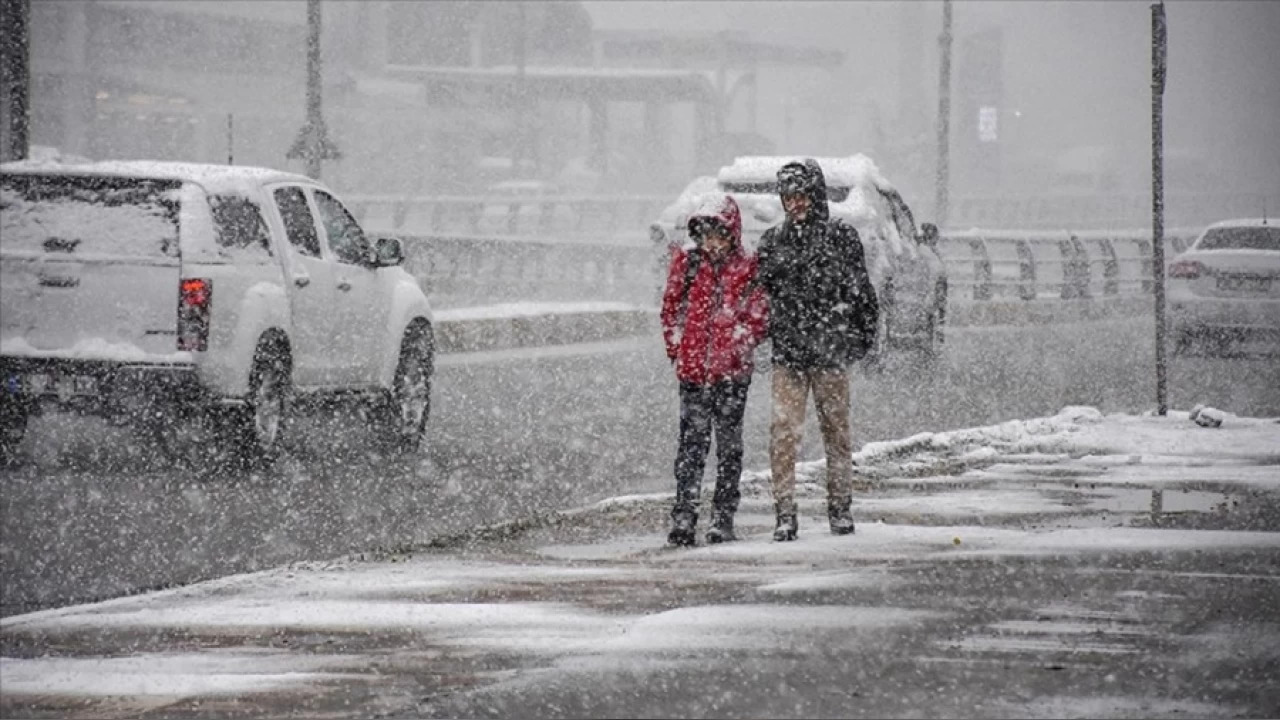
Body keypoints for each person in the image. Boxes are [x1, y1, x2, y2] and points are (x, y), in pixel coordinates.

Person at [756, 159, 879, 541]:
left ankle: (839, 507)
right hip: (790, 354)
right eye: (788, 196)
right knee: (783, 434)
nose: (794, 203)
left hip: (828, 353)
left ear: (814, 195)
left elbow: (861, 293)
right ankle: (785, 512)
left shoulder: (840, 237)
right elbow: (760, 297)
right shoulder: (773, 242)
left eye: (801, 195)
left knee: (836, 433)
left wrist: (858, 341)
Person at [660, 193, 768, 546]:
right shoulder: (689, 265)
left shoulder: (748, 267)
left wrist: (737, 347)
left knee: (729, 447)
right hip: (693, 374)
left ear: (732, 234)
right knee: (691, 447)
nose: (712, 243)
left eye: (718, 235)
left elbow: (758, 316)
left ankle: (723, 516)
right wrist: (678, 347)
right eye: (705, 235)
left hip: (732, 376)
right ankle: (684, 515)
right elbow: (671, 309)